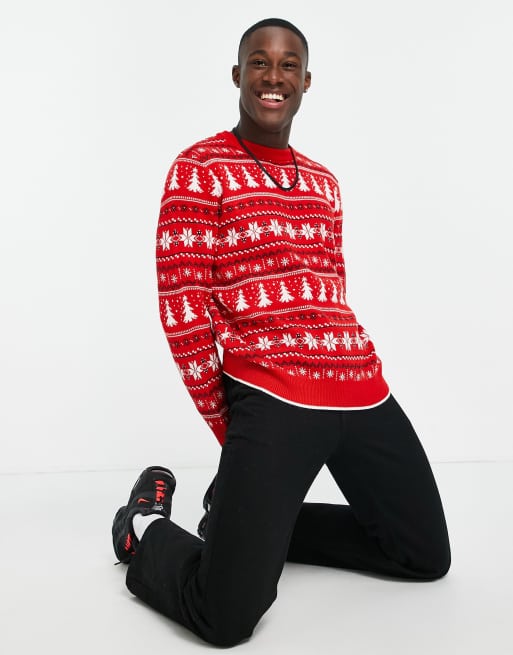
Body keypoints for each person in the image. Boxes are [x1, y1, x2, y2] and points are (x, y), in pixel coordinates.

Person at [112, 17, 451, 647]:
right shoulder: (199, 169)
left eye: (288, 64)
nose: (274, 76)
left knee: (423, 554)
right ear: (237, 75)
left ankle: (236, 526)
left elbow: (332, 293)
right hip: (271, 394)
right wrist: (232, 428)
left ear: (306, 81)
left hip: (359, 391)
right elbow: (183, 309)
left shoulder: (324, 182)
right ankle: (144, 527)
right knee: (225, 617)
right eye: (260, 63)